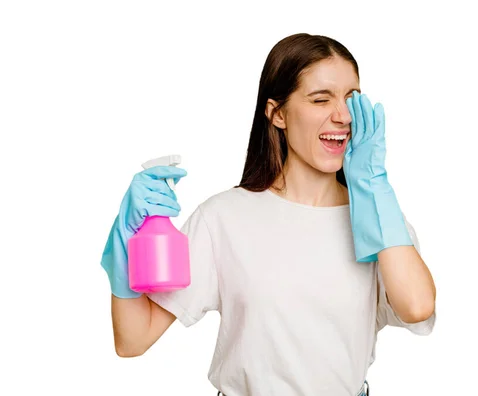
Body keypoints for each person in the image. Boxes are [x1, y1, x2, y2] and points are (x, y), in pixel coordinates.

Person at [101, 33, 437, 396]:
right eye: (321, 99)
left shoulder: (379, 220)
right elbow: (133, 341)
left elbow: (417, 307)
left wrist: (372, 186)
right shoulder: (224, 218)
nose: (342, 116)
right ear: (277, 113)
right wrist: (127, 242)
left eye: (352, 100)